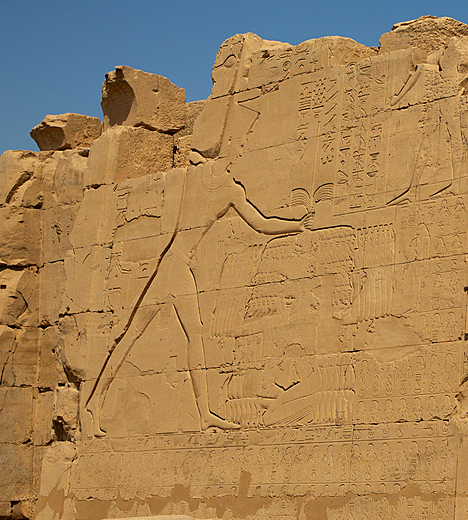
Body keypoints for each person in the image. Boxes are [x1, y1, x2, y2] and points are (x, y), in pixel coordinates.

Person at [83, 162, 307, 436]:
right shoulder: (195, 179)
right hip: (172, 265)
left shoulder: (230, 191)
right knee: (178, 334)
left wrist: (295, 226)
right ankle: (201, 415)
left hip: (174, 264)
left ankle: (96, 402)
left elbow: (260, 224)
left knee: (140, 335)